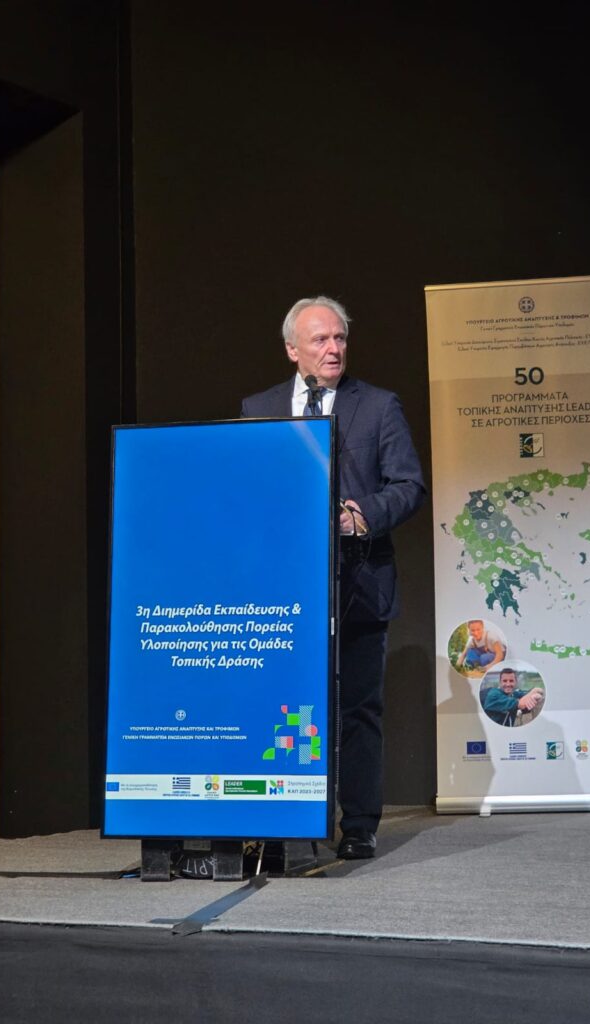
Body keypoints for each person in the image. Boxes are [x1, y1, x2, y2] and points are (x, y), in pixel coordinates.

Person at [240, 296, 425, 860]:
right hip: (284, 590)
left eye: (340, 338)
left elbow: (408, 485)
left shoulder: (379, 406)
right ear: (292, 350)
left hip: (360, 581)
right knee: (288, 704)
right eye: (320, 340)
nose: (333, 349)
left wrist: (358, 515)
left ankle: (360, 823)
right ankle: (281, 818)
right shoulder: (258, 409)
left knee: (358, 708)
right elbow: (248, 488)